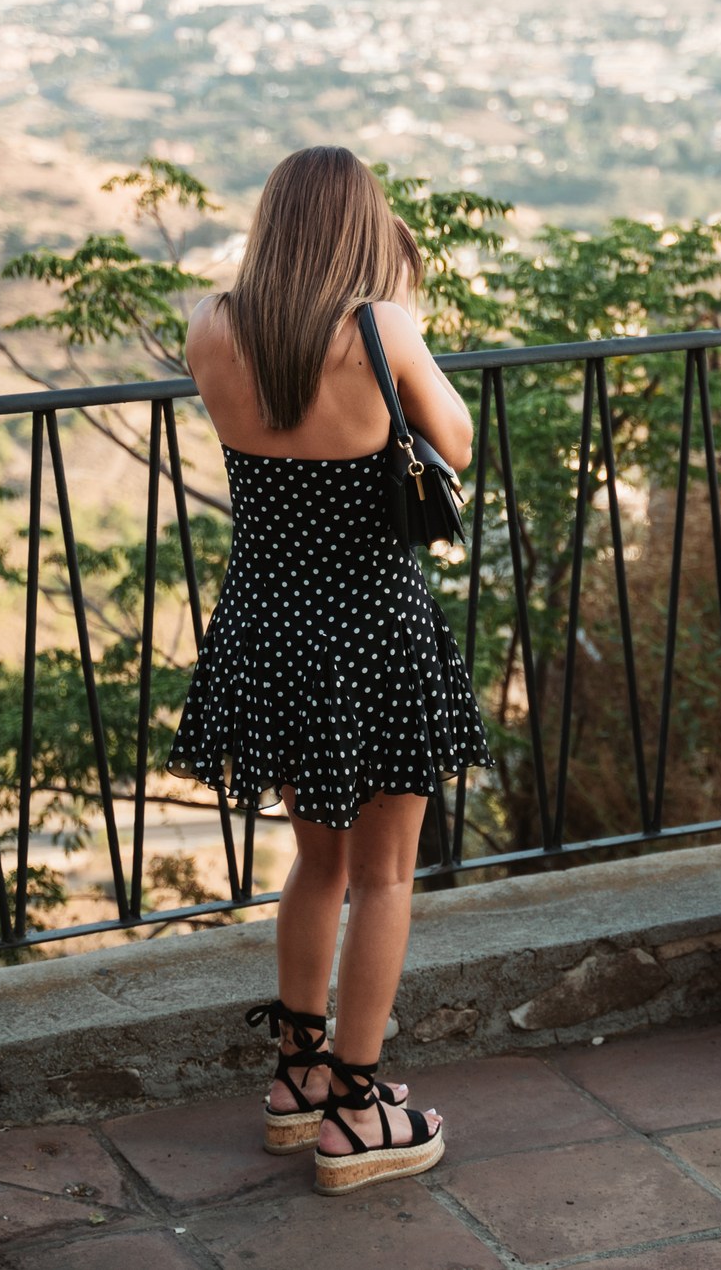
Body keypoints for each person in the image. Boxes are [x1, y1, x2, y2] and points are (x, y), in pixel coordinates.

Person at [166, 146, 491, 1191]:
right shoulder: (380, 326)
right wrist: (406, 314)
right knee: (388, 872)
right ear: (360, 227)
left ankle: (299, 1080)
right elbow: (457, 440)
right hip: (373, 628)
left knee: (318, 863)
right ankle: (360, 1111)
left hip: (272, 624)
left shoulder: (213, 326)